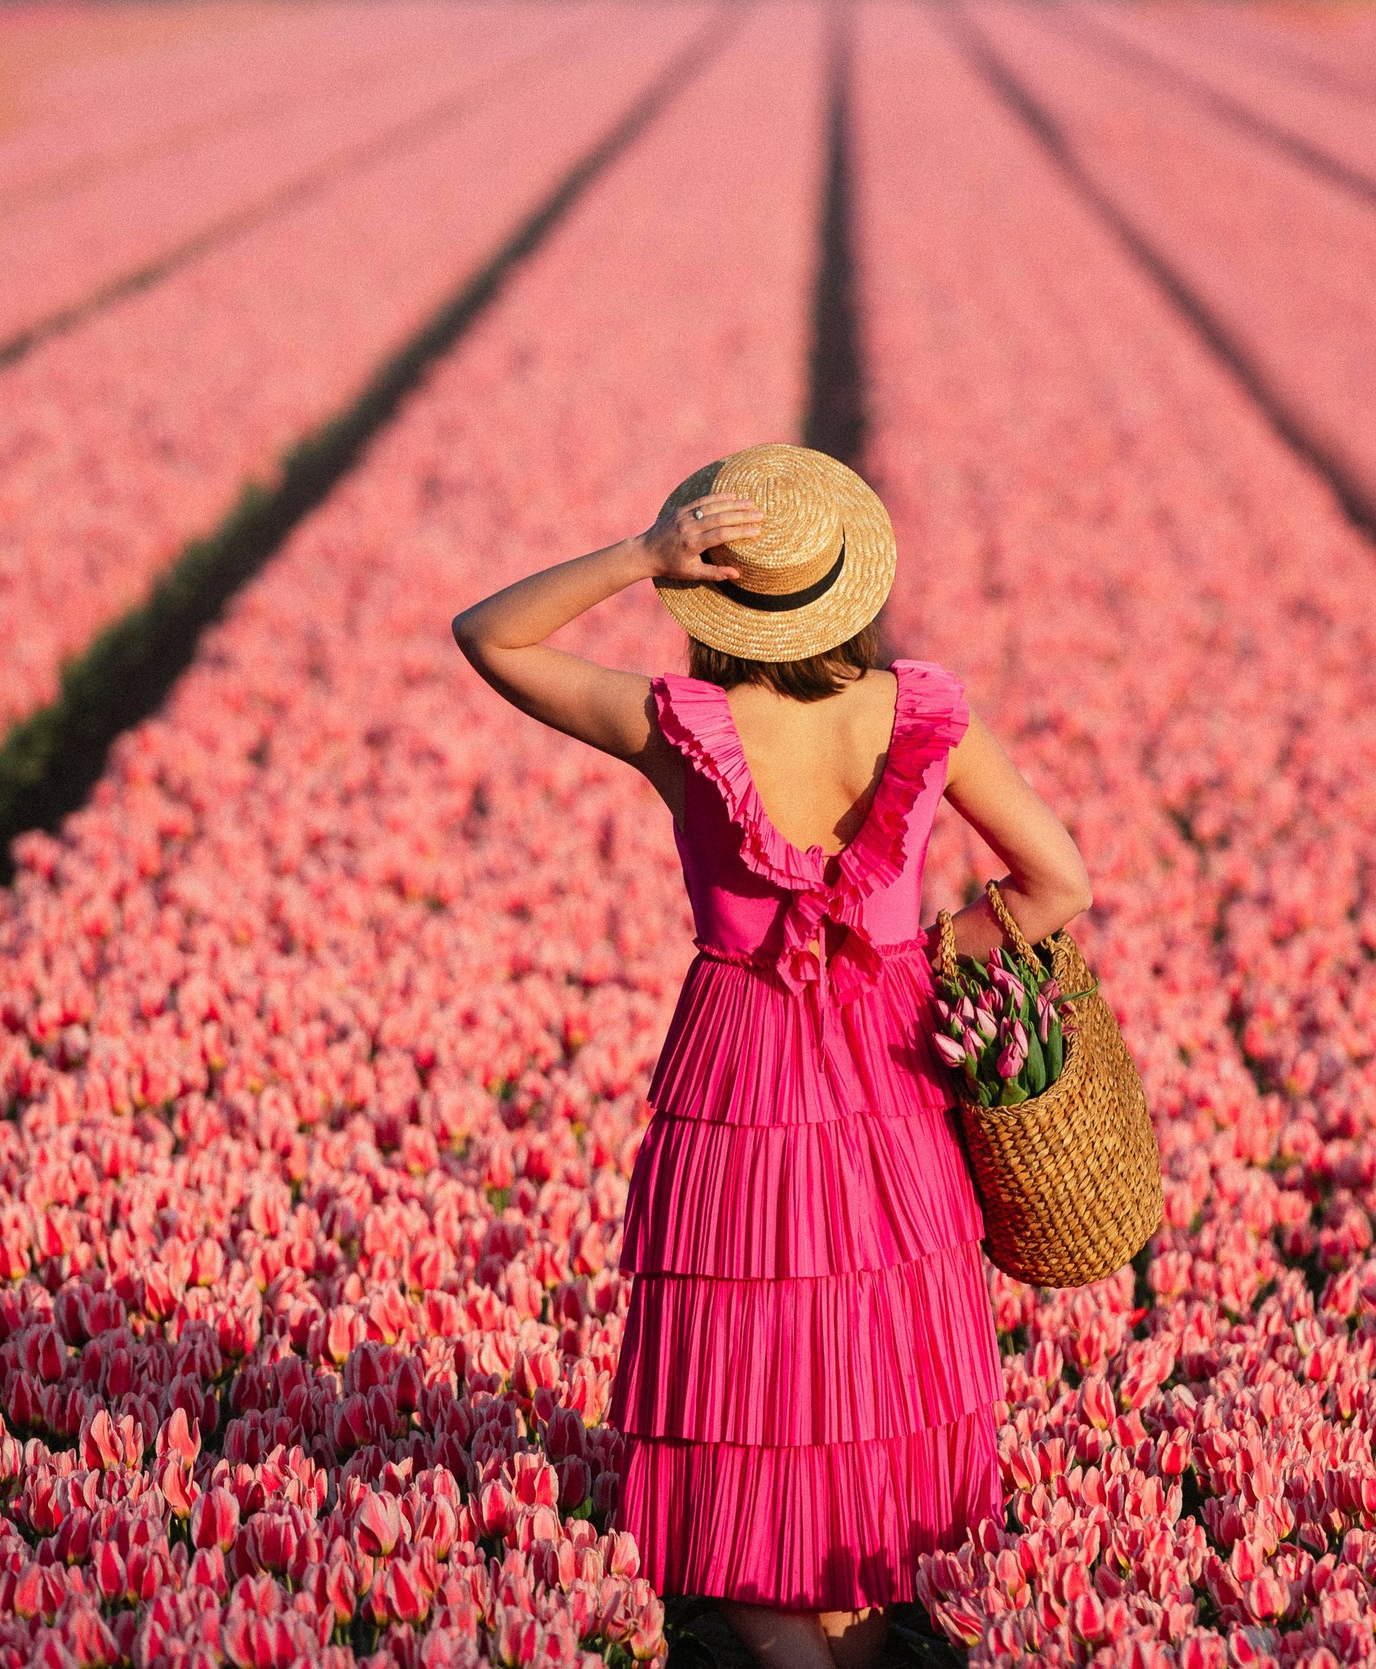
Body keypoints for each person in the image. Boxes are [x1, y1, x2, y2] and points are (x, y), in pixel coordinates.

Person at [451, 443, 1092, 1668]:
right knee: (864, 1372)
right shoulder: (919, 717)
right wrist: (910, 954)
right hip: (894, 1072)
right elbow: (1059, 879)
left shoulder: (678, 728)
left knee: (745, 1380)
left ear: (712, 600)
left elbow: (492, 636)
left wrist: (640, 556)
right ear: (842, 583)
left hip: (740, 1070)